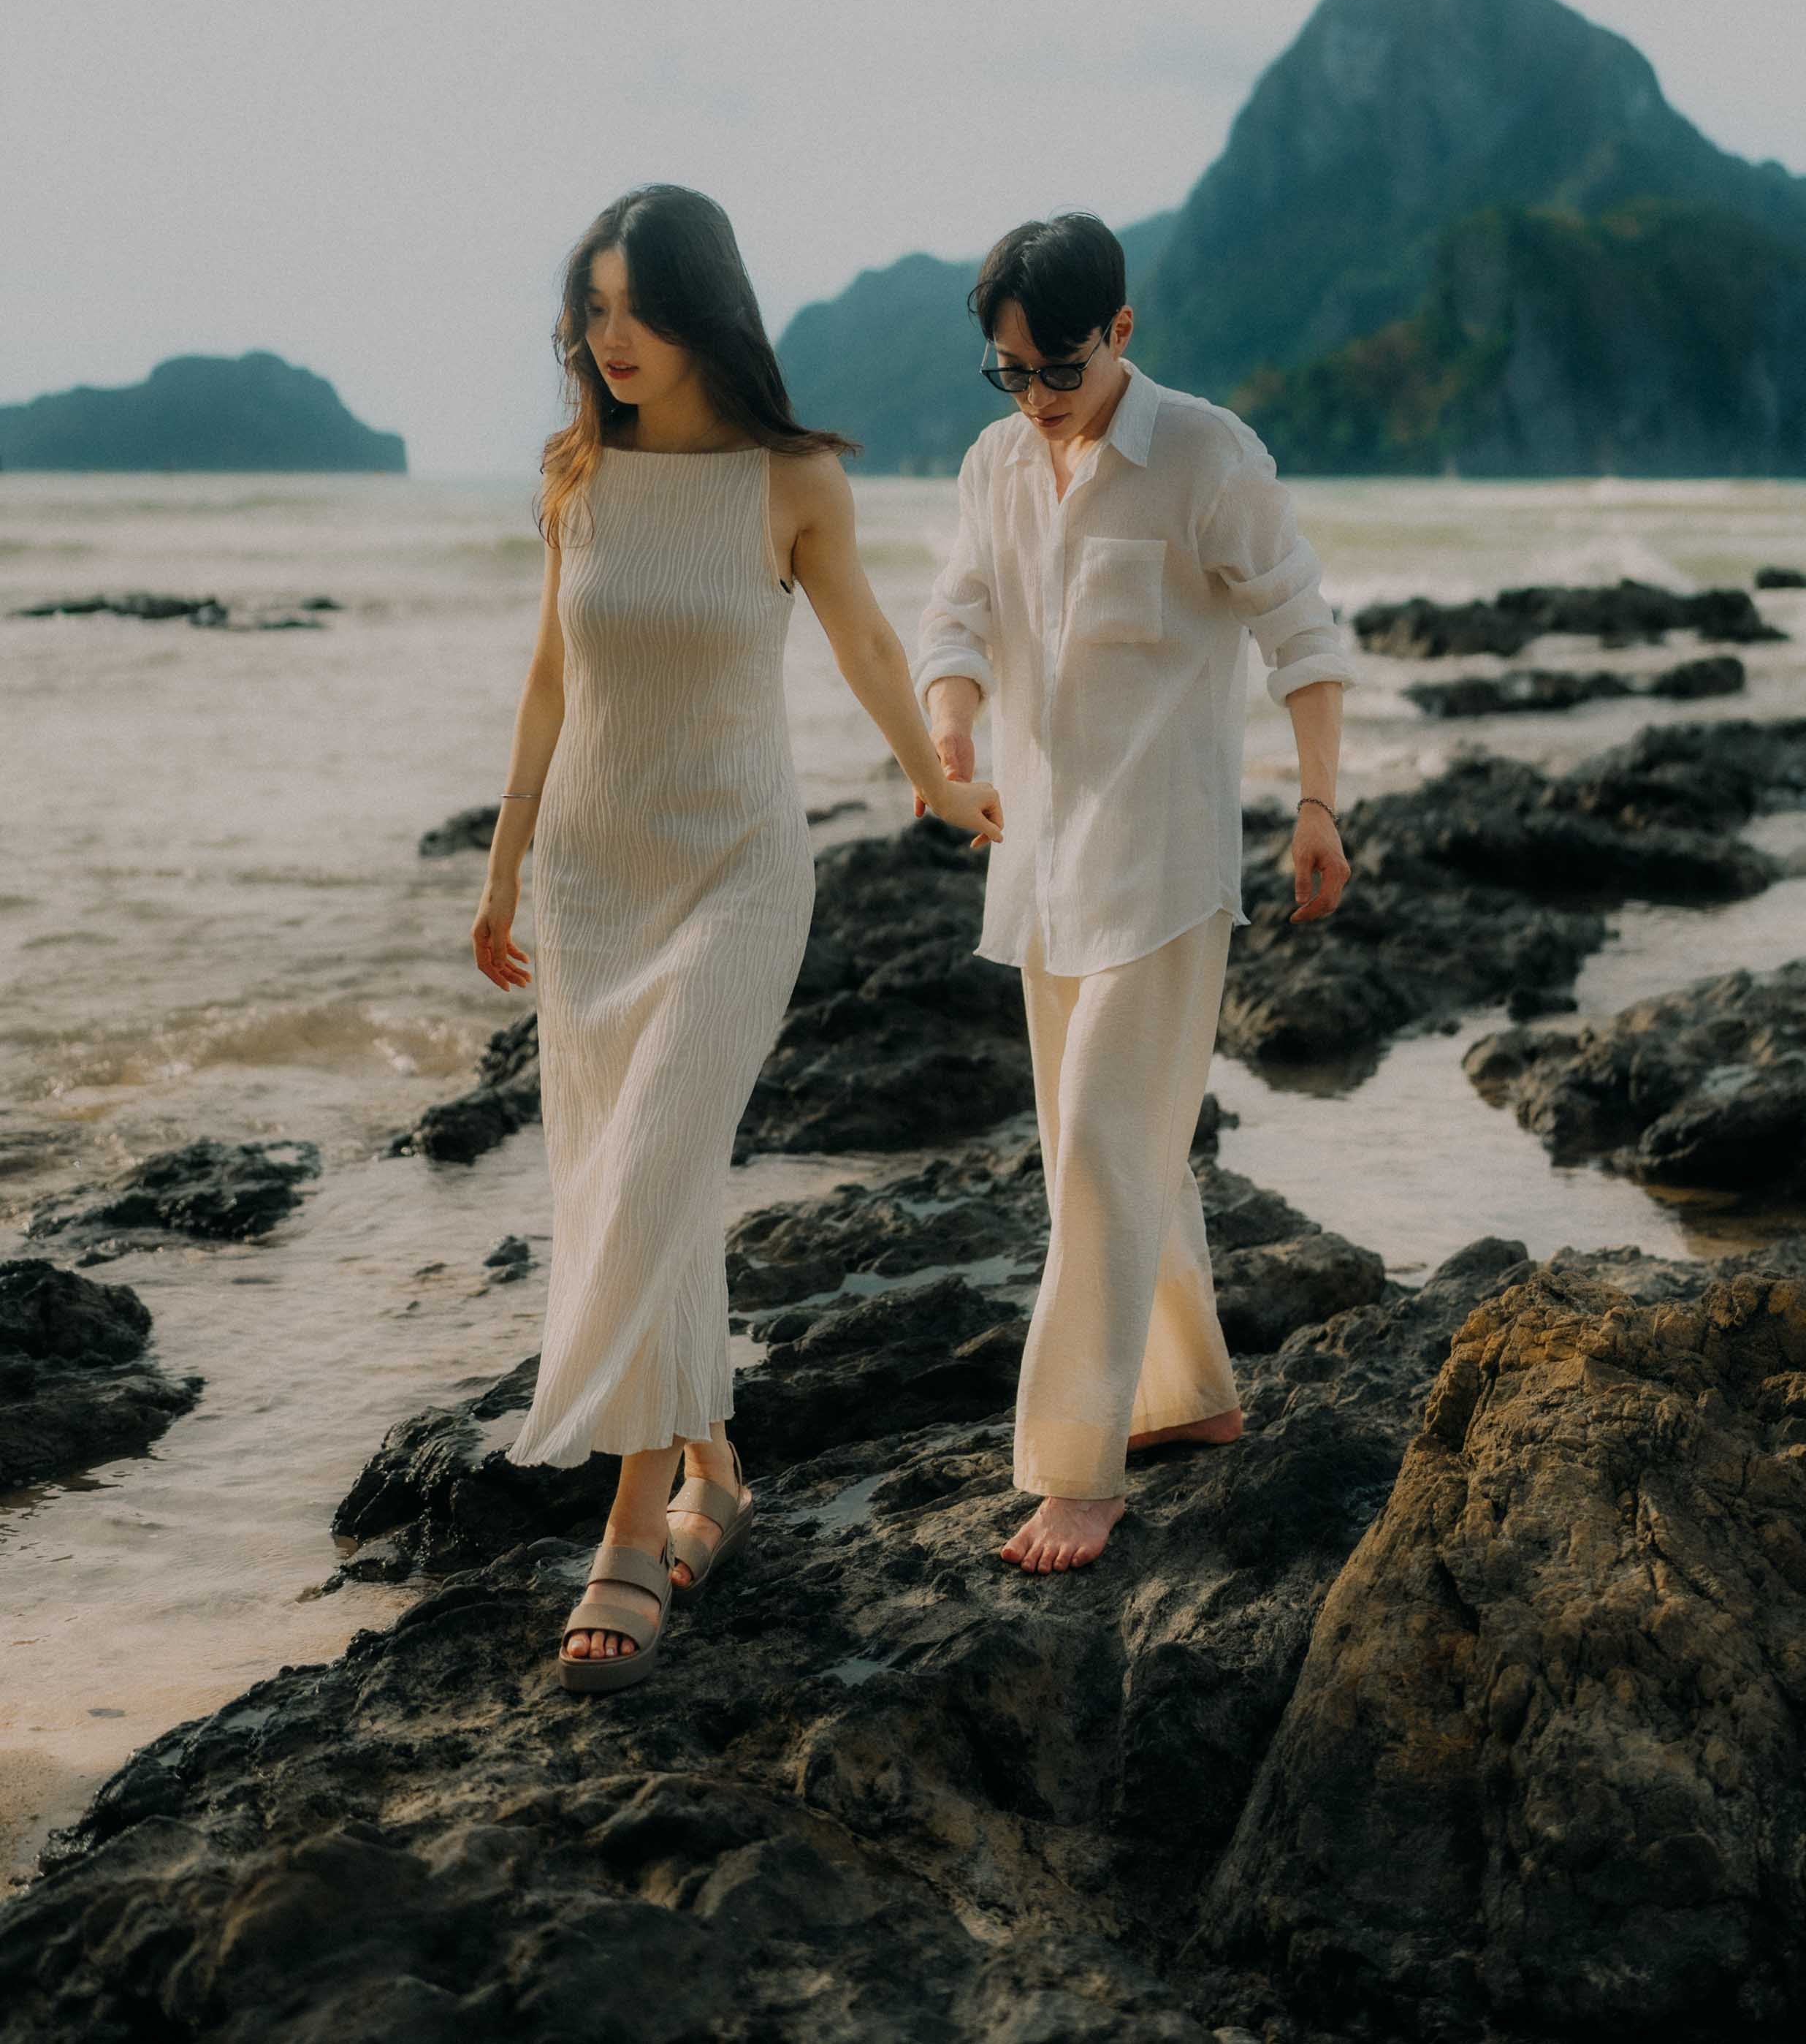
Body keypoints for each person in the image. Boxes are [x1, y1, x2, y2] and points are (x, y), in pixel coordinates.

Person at [471, 183, 1002, 1691]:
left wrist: (943, 782)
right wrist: (503, 865)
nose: (609, 335)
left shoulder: (791, 480)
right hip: (586, 877)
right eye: (591, 306)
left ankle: (629, 1524)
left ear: (705, 311)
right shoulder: (576, 476)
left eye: (636, 305)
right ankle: (713, 1467)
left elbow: (869, 642)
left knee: (647, 1167)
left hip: (736, 875)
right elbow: (546, 681)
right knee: (637, 1180)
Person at [912, 211, 1352, 1576]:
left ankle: (1077, 1469)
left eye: (1059, 372)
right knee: (1106, 1152)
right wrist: (949, 725)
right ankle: (1189, 1396)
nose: (1037, 402)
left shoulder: (1208, 455)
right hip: (1044, 869)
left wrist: (1320, 804)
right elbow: (959, 609)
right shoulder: (997, 462)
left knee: (1105, 1144)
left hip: (1163, 867)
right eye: (1010, 375)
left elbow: (1301, 627)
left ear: (1122, 332)